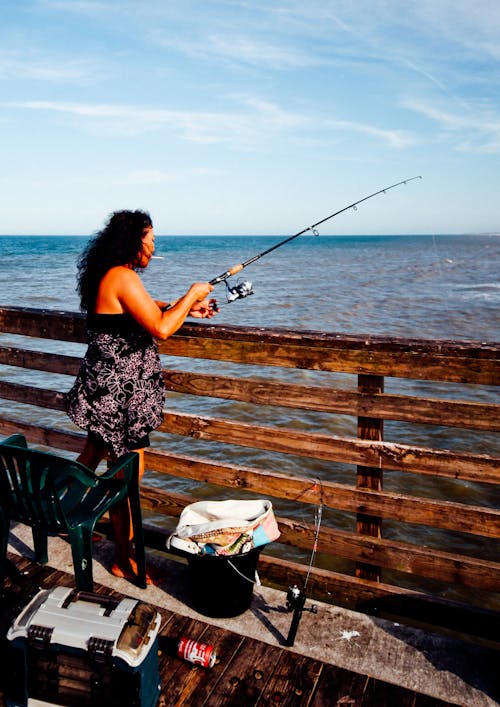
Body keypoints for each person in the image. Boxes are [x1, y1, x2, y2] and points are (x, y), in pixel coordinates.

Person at [67, 209, 217, 583]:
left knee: (96, 462)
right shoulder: (123, 275)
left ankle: (57, 513)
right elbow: (161, 328)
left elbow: (142, 311)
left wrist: (185, 308)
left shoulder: (111, 274)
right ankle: (124, 558)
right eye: (149, 238)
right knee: (128, 480)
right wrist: (192, 294)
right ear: (133, 241)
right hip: (122, 400)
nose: (153, 244)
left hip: (106, 390)